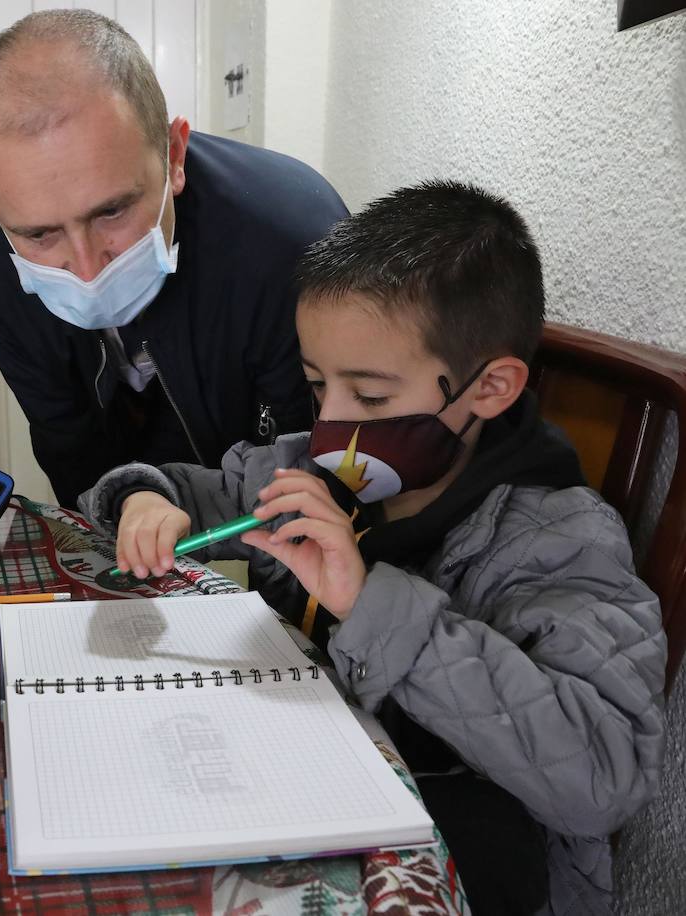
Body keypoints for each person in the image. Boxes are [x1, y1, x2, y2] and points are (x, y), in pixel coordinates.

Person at [79, 181, 666, 914]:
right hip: (293, 791)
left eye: (373, 398)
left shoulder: (558, 539)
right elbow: (193, 490)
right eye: (317, 385)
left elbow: (604, 778)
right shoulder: (307, 467)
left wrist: (368, 603)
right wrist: (143, 496)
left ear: (490, 389)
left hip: (458, 865)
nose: (332, 423)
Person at [0, 9, 348, 507]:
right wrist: (118, 518)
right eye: (38, 234)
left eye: (112, 211)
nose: (89, 270)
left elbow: (305, 475)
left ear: (174, 155)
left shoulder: (292, 242)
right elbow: (64, 435)